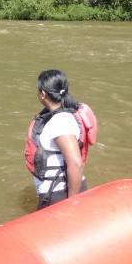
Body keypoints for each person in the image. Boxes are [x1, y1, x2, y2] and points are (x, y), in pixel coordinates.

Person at [24, 69, 86, 210]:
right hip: (60, 192)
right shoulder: (58, 117)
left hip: (61, 196)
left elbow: (76, 164)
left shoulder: (61, 122)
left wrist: (72, 204)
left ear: (43, 94)